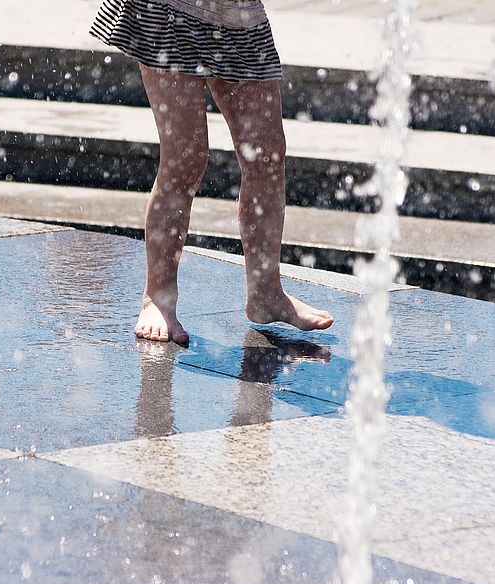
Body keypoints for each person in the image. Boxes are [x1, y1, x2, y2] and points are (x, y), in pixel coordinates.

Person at [90, 0, 334, 344]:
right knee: (185, 156)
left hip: (239, 15)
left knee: (266, 155)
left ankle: (265, 292)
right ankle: (157, 297)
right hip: (168, 10)